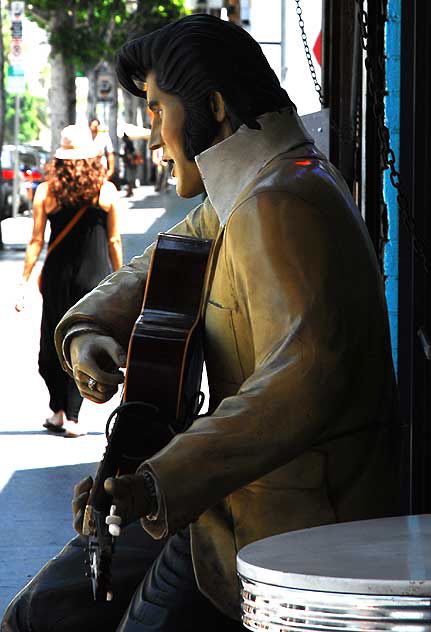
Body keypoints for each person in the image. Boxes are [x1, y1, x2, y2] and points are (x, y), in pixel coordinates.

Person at [3, 14, 401, 632]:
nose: (155, 134)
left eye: (160, 109)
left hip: (278, 532)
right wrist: (89, 329)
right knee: (43, 610)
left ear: (211, 105)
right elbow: (159, 260)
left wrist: (155, 481)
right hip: (221, 507)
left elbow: (305, 384)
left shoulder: (279, 204)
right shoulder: (249, 190)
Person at [14, 124, 123, 438]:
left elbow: (36, 241)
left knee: (52, 340)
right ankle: (71, 416)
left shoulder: (46, 191)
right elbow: (114, 241)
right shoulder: (106, 190)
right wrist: (120, 277)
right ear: (92, 157)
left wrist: (24, 280)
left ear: (59, 159)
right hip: (95, 277)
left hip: (56, 277)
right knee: (81, 340)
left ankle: (59, 410)